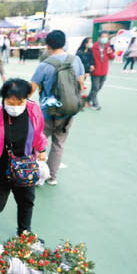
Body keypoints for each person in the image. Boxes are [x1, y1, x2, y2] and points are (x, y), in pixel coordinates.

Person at [0, 79, 47, 245]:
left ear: (26, 98)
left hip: (25, 167)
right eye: (10, 101)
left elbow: (39, 132)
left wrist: (42, 148)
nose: (14, 105)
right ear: (3, 98)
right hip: (0, 170)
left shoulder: (34, 110)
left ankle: (24, 234)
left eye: (19, 101)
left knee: (26, 203)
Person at [31, 30, 85, 186]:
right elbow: (81, 84)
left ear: (47, 45)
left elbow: (31, 88)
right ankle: (52, 176)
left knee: (37, 143)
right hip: (67, 111)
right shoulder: (76, 60)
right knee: (58, 144)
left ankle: (35, 174)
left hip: (47, 112)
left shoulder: (45, 64)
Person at [87, 31, 114, 111]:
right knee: (95, 88)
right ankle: (95, 104)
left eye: (106, 37)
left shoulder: (107, 46)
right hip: (95, 71)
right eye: (103, 37)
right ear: (99, 38)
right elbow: (89, 58)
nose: (105, 39)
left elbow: (112, 57)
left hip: (104, 71)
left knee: (99, 87)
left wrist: (110, 52)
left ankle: (88, 99)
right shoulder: (93, 47)